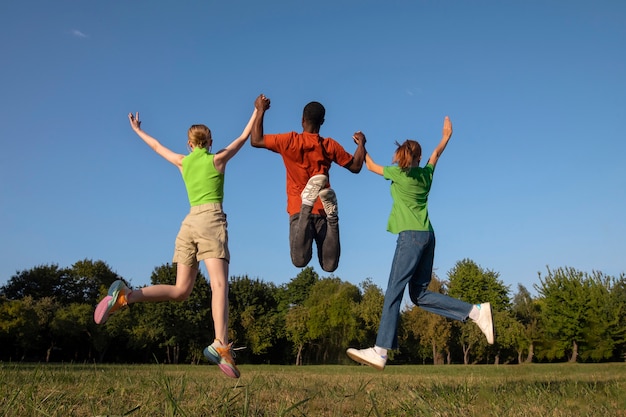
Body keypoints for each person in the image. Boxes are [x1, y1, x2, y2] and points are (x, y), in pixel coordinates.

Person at [94, 101, 260, 378]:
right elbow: (244, 136)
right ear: (210, 142)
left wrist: (137, 130)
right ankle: (220, 344)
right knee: (219, 285)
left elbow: (157, 147)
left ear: (189, 143)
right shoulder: (216, 159)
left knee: (181, 290)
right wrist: (257, 110)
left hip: (188, 225)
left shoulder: (183, 162)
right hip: (210, 220)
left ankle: (126, 296)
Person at [346, 116, 494, 370]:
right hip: (428, 236)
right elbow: (436, 154)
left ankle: (380, 351)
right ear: (418, 157)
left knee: (394, 290)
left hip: (410, 237)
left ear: (403, 156)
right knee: (419, 295)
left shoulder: (399, 174)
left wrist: (362, 144)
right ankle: (475, 312)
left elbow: (369, 166)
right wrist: (446, 135)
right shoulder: (425, 174)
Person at [251, 94, 366, 272]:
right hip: (324, 210)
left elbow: (256, 140)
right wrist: (361, 144)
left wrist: (260, 110)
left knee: (299, 260)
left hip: (298, 209)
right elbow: (356, 166)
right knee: (329, 266)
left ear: (302, 120)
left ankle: (307, 204)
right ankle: (332, 217)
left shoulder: (290, 140)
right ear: (323, 122)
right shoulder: (329, 145)